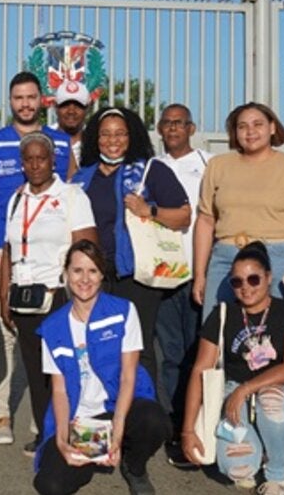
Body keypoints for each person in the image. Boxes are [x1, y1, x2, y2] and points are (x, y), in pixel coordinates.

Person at [0, 71, 76, 446]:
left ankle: (44, 420)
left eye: (31, 97)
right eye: (18, 98)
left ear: (42, 100)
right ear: (10, 101)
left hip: (50, 260)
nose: (25, 104)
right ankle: (1, 414)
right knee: (5, 337)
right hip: (5, 253)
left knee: (49, 340)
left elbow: (71, 193)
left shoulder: (61, 143)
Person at [33, 240, 168, 495]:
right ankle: (94, 455)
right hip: (80, 419)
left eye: (92, 271)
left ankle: (134, 466)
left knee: (154, 421)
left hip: (118, 407)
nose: (85, 279)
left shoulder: (123, 311)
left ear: (102, 275)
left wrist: (117, 429)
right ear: (66, 273)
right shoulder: (52, 327)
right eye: (77, 270)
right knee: (50, 485)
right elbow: (59, 391)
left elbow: (128, 376)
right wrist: (62, 440)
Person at [72, 107, 190, 397]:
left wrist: (149, 210)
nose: (113, 140)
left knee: (138, 346)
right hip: (94, 277)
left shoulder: (151, 171)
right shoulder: (81, 178)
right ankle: (103, 408)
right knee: (96, 344)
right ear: (95, 138)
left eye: (120, 134)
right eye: (105, 134)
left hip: (136, 276)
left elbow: (184, 216)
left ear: (132, 136)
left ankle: (143, 409)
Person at [180, 243, 284, 495]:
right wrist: (187, 431)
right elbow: (200, 371)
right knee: (238, 469)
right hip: (235, 395)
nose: (246, 287)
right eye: (237, 282)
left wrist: (245, 389)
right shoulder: (222, 314)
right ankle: (257, 449)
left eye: (254, 279)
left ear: (268, 277)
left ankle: (276, 477)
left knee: (270, 400)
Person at [0, 131, 98, 456]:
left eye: (41, 158)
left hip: (58, 295)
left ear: (52, 160)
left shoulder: (71, 196)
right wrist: (4, 294)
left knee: (68, 370)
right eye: (29, 159)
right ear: (22, 163)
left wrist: (82, 296)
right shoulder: (17, 199)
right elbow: (8, 250)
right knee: (36, 370)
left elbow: (88, 248)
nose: (35, 165)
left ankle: (79, 436)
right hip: (24, 297)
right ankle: (47, 434)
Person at [193, 103, 284, 320]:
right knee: (216, 327)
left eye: (258, 124)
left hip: (278, 258)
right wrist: (199, 275)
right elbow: (206, 221)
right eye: (242, 126)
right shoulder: (218, 166)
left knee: (278, 327)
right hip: (226, 257)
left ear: (272, 127)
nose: (250, 132)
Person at [153, 103, 212, 470]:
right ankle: (178, 429)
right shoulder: (151, 167)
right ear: (159, 129)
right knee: (172, 355)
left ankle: (204, 425)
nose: (173, 128)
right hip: (164, 277)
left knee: (201, 355)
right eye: (167, 123)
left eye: (179, 123)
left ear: (191, 128)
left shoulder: (209, 165)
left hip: (199, 275)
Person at [52, 83, 90, 157]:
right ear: (56, 107)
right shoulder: (43, 139)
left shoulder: (96, 143)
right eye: (65, 105)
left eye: (78, 105)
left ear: (87, 108)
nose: (71, 111)